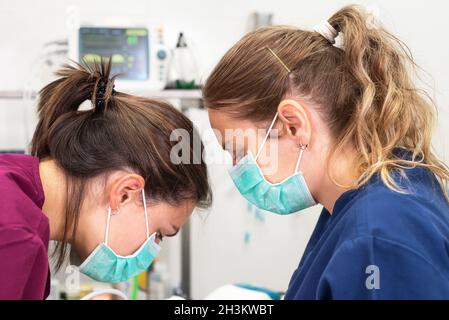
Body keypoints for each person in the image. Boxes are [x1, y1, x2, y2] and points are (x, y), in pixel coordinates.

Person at [203, 5, 449, 299]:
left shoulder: (379, 236)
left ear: (292, 126)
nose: (236, 168)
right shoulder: (378, 188)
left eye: (237, 150)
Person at [0, 61, 211, 299]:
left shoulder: (12, 186)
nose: (152, 250)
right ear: (125, 193)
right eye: (159, 234)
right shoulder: (14, 237)